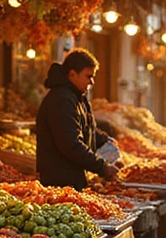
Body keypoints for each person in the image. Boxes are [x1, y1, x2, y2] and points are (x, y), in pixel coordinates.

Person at [35, 48, 119, 190]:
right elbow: (70, 144)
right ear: (72, 74)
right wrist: (102, 167)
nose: (91, 82)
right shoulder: (61, 100)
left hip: (73, 178)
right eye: (88, 76)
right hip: (60, 182)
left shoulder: (77, 97)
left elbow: (85, 129)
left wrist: (104, 141)